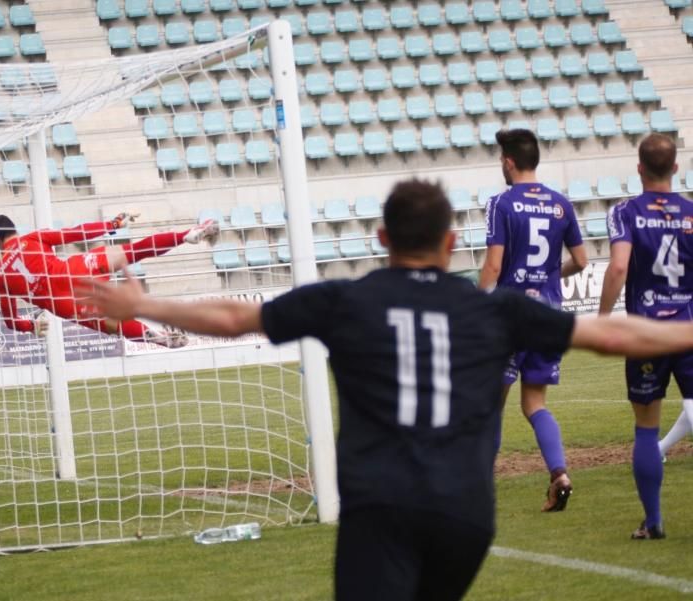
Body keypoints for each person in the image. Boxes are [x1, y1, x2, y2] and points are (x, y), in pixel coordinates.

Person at [81, 179, 693, 601]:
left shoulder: (345, 300)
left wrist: (145, 303)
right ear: (451, 243)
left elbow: (236, 317)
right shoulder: (497, 310)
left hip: (382, 509)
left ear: (381, 237)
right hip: (465, 517)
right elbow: (611, 336)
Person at [478, 129, 588, 512]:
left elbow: (493, 265)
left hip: (511, 317)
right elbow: (582, 260)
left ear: (508, 161)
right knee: (535, 404)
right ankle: (560, 474)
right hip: (549, 317)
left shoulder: (502, 203)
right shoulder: (561, 204)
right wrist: (547, 279)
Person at [599, 133, 693, 540]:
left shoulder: (625, 212)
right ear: (675, 168)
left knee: (646, 429)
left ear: (639, 168)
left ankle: (654, 521)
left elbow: (618, 268)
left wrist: (603, 319)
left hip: (646, 334)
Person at [0, 212, 218, 347]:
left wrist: (32, 326)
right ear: (12, 228)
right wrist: (113, 224)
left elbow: (10, 320)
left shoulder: (1, 276)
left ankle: (157, 336)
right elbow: (77, 233)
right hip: (76, 270)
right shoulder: (33, 238)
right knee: (135, 250)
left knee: (113, 324)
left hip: (65, 302)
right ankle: (185, 235)